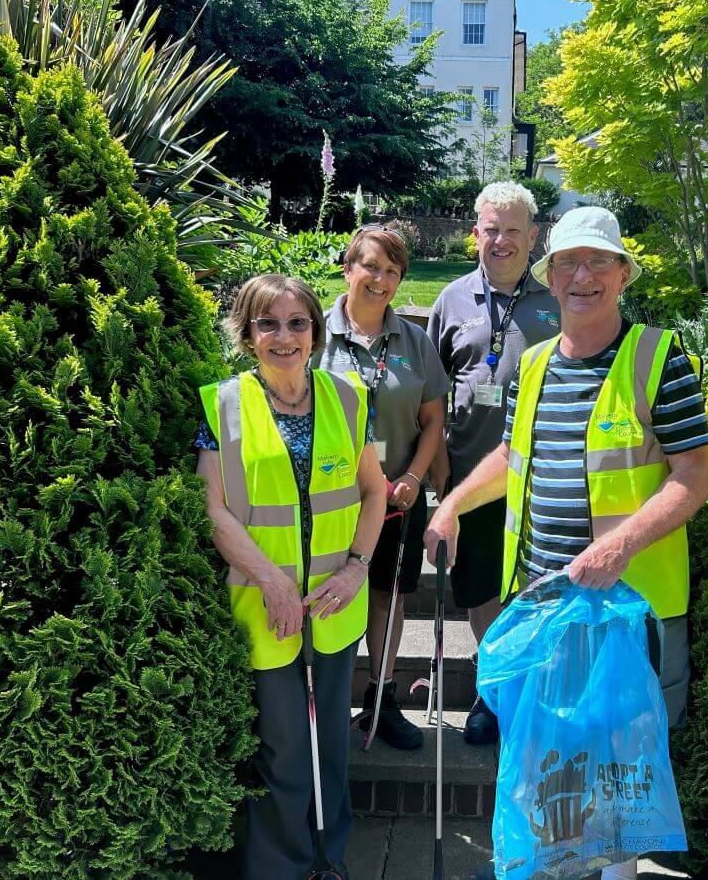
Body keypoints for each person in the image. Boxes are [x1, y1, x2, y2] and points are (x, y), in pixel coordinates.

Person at [423, 207, 708, 880]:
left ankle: (616, 874)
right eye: (567, 264)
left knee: (621, 763)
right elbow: (511, 453)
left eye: (598, 262)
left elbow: (693, 478)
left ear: (622, 275)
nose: (582, 277)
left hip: (628, 608)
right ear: (549, 278)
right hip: (543, 604)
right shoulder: (534, 363)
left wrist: (621, 546)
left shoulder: (656, 357)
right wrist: (455, 507)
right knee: (552, 761)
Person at [195, 274, 387, 879]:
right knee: (282, 747)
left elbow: (375, 491)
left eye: (297, 322)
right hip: (263, 604)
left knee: (329, 741)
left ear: (315, 331)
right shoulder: (223, 405)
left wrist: (358, 568)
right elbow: (213, 508)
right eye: (267, 324)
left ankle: (328, 858)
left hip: (333, 605)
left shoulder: (348, 396)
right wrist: (273, 581)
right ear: (247, 334)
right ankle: (279, 866)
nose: (285, 336)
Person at [426, 181, 561, 746]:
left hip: (545, 480)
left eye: (512, 230)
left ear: (533, 237)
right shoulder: (451, 300)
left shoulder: (559, 301)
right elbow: (429, 394)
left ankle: (535, 688)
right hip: (473, 478)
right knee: (480, 587)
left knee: (535, 586)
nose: (500, 241)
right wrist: (436, 471)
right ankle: (493, 687)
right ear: (474, 235)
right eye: (490, 229)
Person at [313, 224, 449, 750]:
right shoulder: (313, 334)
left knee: (387, 598)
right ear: (348, 269)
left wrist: (415, 477)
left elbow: (434, 419)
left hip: (396, 500)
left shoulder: (415, 342)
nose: (381, 279)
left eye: (393, 271)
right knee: (330, 595)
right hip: (329, 500)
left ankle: (381, 696)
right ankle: (321, 700)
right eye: (371, 266)